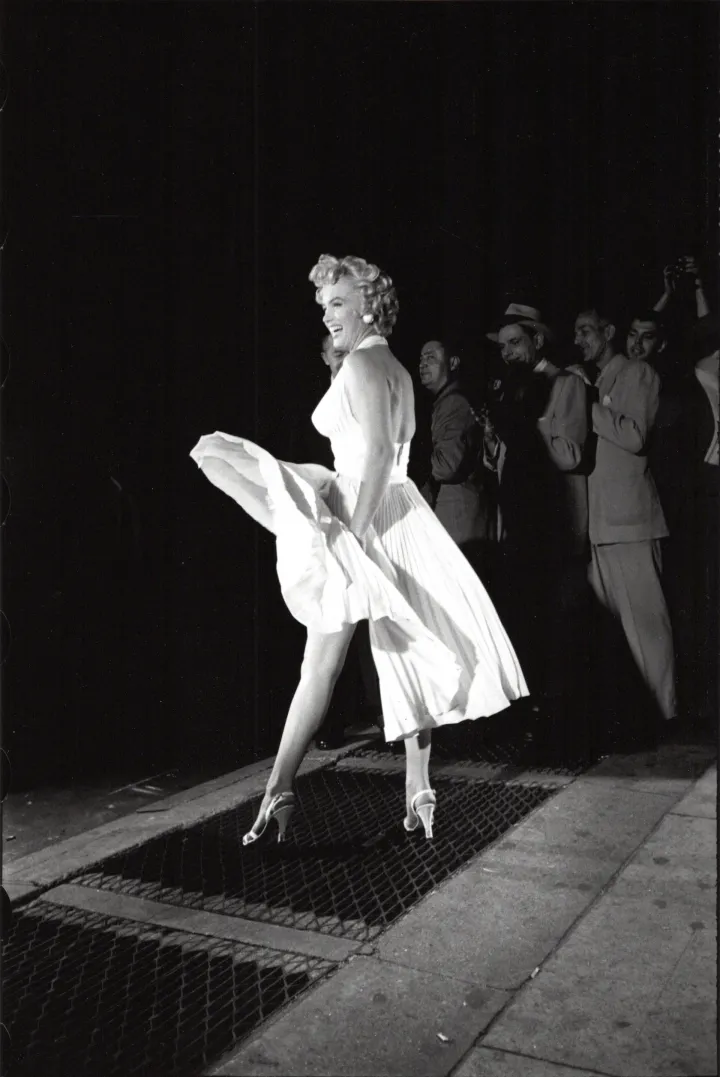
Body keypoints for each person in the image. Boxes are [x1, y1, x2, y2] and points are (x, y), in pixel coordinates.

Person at [191, 254, 528, 845]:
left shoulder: (366, 366)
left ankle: (280, 787)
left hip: (367, 510)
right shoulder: (393, 367)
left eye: (339, 303)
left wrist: (353, 535)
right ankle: (416, 789)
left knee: (321, 663)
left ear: (370, 304)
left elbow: (374, 455)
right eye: (324, 306)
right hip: (396, 512)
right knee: (408, 652)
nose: (328, 316)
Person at [571, 307, 676, 739]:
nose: (578, 341)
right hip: (602, 525)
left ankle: (665, 718)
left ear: (608, 332)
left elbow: (634, 436)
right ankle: (634, 718)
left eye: (586, 332)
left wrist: (586, 403)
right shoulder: (595, 381)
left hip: (630, 523)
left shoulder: (636, 373)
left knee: (646, 628)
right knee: (616, 631)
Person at [485, 303, 589, 716]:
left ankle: (560, 713)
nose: (507, 352)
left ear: (538, 341)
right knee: (524, 619)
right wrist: (495, 441)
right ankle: (532, 710)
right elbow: (506, 460)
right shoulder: (511, 390)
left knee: (557, 623)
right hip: (517, 522)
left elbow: (572, 454)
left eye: (515, 343)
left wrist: (530, 426)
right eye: (503, 346)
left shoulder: (567, 384)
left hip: (552, 525)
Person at [418, 339, 496, 576]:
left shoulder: (453, 402)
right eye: (421, 359)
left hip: (458, 519)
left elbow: (446, 466)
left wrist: (413, 457)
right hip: (457, 517)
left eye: (431, 357)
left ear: (452, 363)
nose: (423, 364)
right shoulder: (446, 401)